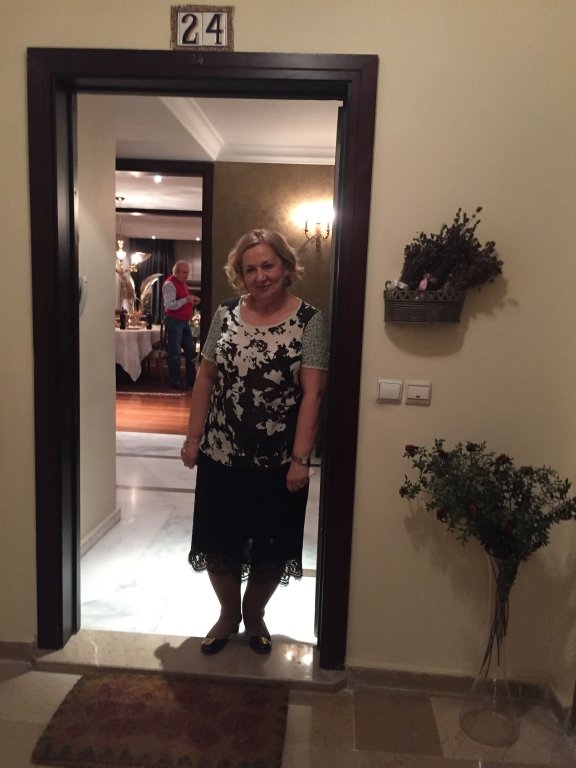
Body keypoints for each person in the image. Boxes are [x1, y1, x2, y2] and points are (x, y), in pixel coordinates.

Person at [180, 229, 328, 655]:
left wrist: (301, 460)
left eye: (268, 265)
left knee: (271, 546)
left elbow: (314, 394)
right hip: (220, 454)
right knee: (218, 542)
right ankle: (228, 615)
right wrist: (193, 437)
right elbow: (206, 375)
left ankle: (256, 614)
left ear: (285, 267)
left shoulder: (310, 321)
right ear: (240, 275)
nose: (261, 276)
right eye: (250, 269)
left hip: (278, 461)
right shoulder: (225, 313)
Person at [162, 261, 200, 390]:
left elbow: (182, 300)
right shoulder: (169, 284)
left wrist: (191, 301)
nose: (187, 275)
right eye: (184, 272)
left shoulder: (182, 283)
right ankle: (175, 382)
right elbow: (169, 305)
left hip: (183, 321)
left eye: (187, 272)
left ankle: (191, 380)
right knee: (175, 352)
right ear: (176, 272)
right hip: (174, 321)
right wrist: (186, 300)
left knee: (190, 350)